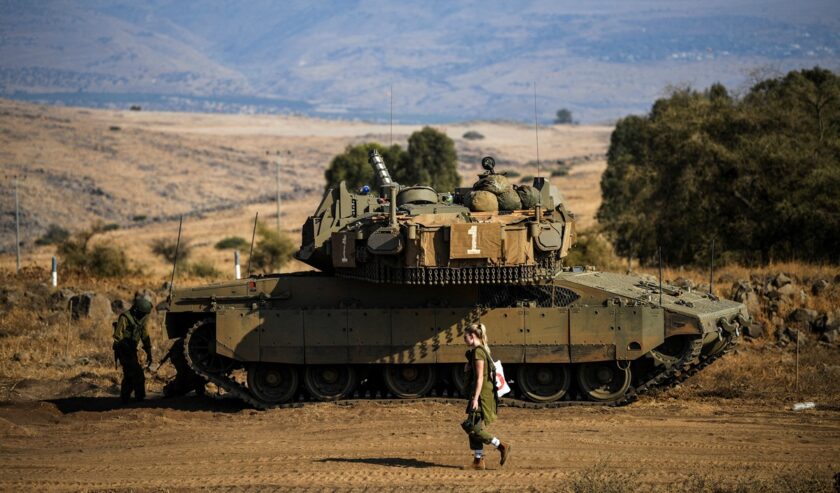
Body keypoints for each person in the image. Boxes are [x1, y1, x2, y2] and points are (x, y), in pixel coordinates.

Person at [461, 323, 511, 470]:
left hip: (482, 395)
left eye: (465, 336)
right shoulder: (479, 351)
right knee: (472, 425)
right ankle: (478, 461)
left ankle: (501, 445)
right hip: (481, 394)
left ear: (472, 336)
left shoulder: (478, 353)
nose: (464, 339)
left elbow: (480, 379)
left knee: (473, 428)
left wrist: (475, 399)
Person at [113, 297, 153, 403]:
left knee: (129, 375)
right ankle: (139, 398)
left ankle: (125, 398)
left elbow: (145, 336)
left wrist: (149, 352)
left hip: (132, 349)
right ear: (136, 310)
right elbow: (118, 336)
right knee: (137, 373)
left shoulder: (143, 318)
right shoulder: (125, 317)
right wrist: (125, 350)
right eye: (142, 313)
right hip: (123, 349)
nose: (144, 316)